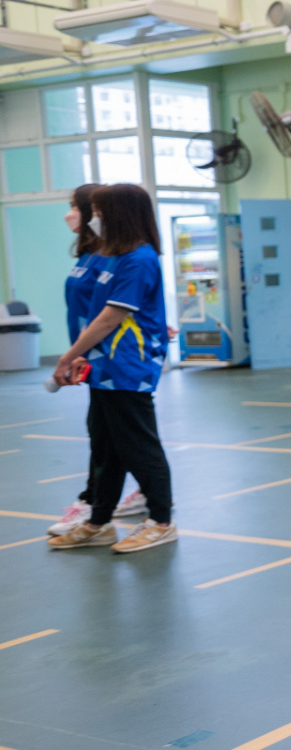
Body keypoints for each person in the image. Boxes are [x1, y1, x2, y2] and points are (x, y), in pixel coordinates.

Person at [47, 184, 178, 552]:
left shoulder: (139, 259)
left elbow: (109, 318)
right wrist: (83, 355)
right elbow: (95, 315)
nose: (95, 218)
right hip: (102, 365)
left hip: (128, 366)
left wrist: (67, 356)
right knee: (105, 445)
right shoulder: (113, 257)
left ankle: (161, 521)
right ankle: (99, 522)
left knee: (139, 445)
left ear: (119, 214)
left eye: (100, 212)